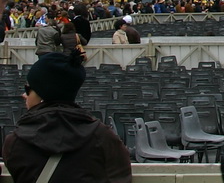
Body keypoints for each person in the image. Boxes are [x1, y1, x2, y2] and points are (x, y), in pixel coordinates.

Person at [2, 50, 131, 183]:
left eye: (28, 89)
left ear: (42, 95)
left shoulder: (15, 143)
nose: (24, 95)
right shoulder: (103, 137)